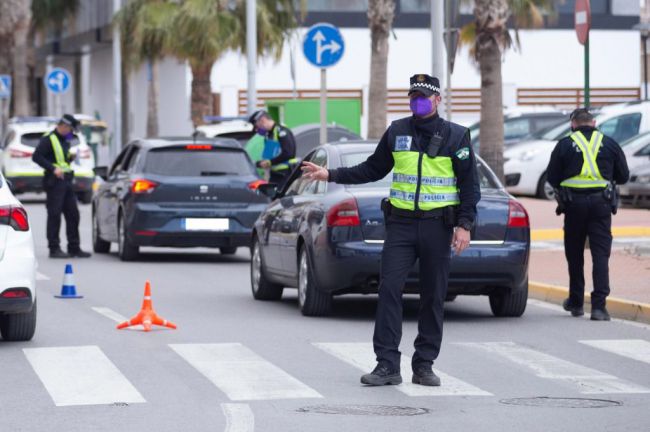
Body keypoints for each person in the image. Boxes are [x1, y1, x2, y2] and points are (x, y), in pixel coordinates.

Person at [301, 74, 479, 387]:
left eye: (424, 96)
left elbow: (469, 185)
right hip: (401, 226)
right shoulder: (397, 131)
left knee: (433, 295)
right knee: (389, 290)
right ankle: (387, 364)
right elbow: (372, 168)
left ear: (438, 100)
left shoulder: (457, 136)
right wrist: (330, 173)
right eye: (413, 96)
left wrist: (464, 225)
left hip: (438, 226)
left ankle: (424, 364)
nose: (417, 101)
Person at [547, 108, 629, 321]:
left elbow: (552, 177)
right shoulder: (610, 143)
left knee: (574, 254)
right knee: (600, 255)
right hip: (601, 205)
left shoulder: (564, 144)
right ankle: (599, 307)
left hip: (573, 206)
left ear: (572, 124)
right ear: (594, 123)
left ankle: (576, 303)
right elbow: (624, 176)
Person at [32, 114, 92, 259]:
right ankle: (54, 248)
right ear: (63, 126)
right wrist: (53, 168)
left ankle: (74, 247)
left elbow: (61, 159)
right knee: (54, 215)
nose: (72, 133)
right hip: (54, 182)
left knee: (73, 214)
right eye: (71, 129)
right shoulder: (48, 139)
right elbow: (37, 157)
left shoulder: (65, 139)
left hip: (66, 181)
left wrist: (69, 158)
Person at [248, 110, 297, 184]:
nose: (257, 130)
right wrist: (262, 163)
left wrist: (270, 162)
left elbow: (288, 153)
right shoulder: (268, 135)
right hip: (274, 174)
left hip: (285, 174)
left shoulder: (281, 131)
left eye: (257, 126)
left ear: (263, 120)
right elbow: (270, 155)